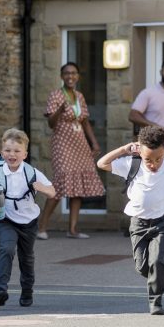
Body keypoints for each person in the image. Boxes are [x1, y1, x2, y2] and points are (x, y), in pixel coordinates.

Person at [98, 125, 164, 315]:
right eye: (148, 159)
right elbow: (102, 163)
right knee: (142, 267)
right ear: (140, 152)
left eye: (158, 159)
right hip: (138, 223)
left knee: (158, 262)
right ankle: (156, 277)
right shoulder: (132, 163)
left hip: (162, 222)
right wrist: (124, 149)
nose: (153, 164)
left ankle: (156, 302)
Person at [0, 129, 56, 307]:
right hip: (5, 219)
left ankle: (27, 292)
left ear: (25, 154)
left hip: (28, 222)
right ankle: (0, 290)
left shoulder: (32, 172)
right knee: (6, 249)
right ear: (2, 152)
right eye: (7, 150)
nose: (11, 154)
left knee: (26, 258)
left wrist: (42, 188)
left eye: (16, 151)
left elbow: (53, 192)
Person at [37, 62, 105, 240]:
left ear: (78, 76)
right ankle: (42, 227)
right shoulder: (56, 95)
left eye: (74, 73)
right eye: (66, 73)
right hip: (62, 142)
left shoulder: (79, 96)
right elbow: (51, 124)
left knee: (79, 187)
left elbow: (84, 121)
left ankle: (73, 229)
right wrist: (59, 110)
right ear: (61, 76)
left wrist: (94, 143)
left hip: (80, 142)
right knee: (60, 183)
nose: (70, 76)